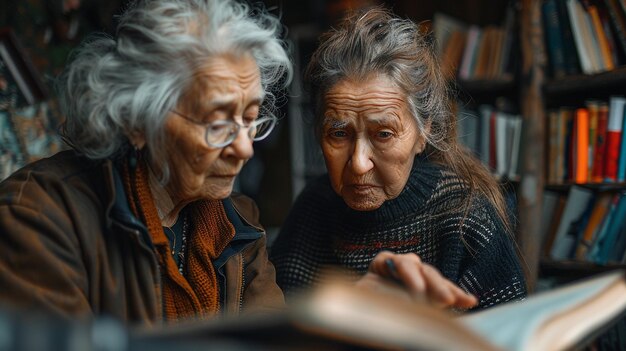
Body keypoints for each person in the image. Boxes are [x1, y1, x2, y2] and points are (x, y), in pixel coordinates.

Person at [0, 0, 475, 326]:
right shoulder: (37, 220)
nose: (245, 148)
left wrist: (344, 321)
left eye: (251, 119)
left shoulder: (236, 224)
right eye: (216, 122)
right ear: (136, 122)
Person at [270, 7, 528, 310]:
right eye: (339, 135)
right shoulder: (314, 208)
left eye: (383, 134)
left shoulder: (466, 217)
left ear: (423, 132)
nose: (358, 164)